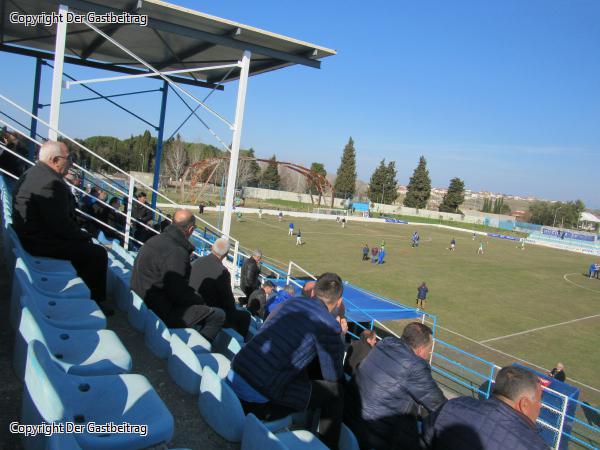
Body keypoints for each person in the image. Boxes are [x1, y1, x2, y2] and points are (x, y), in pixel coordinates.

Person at [228, 273, 346, 449]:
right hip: (258, 396)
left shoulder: (290, 302)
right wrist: (340, 336)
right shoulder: (329, 326)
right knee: (336, 392)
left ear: (313, 292)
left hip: (235, 372)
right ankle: (326, 445)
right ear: (338, 302)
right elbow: (332, 376)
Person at [11, 141, 110, 308]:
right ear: (55, 160)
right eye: (69, 158)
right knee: (97, 254)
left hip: (32, 237)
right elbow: (61, 226)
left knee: (88, 247)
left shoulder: (35, 173)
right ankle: (92, 303)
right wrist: (85, 237)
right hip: (40, 242)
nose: (71, 163)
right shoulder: (50, 182)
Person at [344, 322, 447, 450]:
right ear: (421, 350)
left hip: (349, 420)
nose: (429, 353)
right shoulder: (415, 366)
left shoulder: (385, 343)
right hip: (374, 437)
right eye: (429, 350)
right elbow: (441, 406)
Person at [130, 209, 225, 341]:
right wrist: (200, 301)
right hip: (159, 309)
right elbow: (178, 293)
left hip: (144, 300)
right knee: (218, 315)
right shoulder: (177, 252)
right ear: (191, 229)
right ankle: (197, 350)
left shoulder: (156, 239)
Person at [423, 366, 548, 450]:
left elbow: (426, 436)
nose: (540, 405)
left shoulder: (455, 405)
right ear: (524, 404)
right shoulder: (535, 446)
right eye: (539, 399)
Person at [189, 237, 252, 338]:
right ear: (226, 254)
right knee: (245, 316)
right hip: (208, 313)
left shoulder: (196, 262)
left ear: (212, 247)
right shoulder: (222, 272)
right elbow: (228, 302)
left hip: (190, 307)